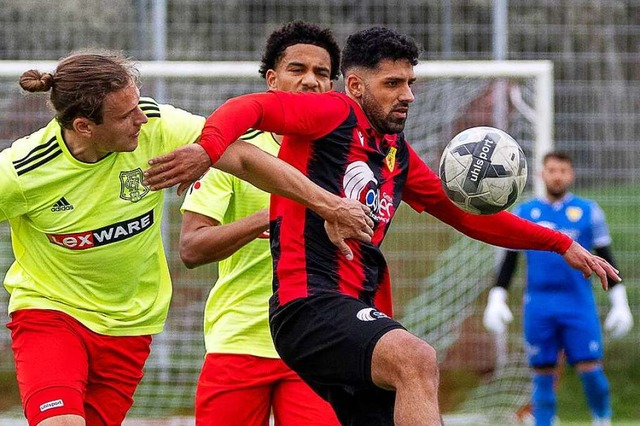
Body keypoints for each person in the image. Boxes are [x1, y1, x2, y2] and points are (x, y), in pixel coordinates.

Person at [143, 27, 619, 426]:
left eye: (410, 82)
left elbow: (469, 218)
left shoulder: (396, 155)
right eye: (392, 83)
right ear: (354, 85)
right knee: (416, 359)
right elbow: (252, 108)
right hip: (310, 305)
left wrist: (561, 245)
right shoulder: (331, 115)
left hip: (345, 310)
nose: (407, 95)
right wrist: (206, 149)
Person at [1, 51, 371, 426]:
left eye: (138, 104)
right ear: (84, 127)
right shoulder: (21, 171)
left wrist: (329, 205)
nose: (141, 118)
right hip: (51, 313)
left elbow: (243, 158)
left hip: (132, 323)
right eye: (126, 115)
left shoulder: (156, 125)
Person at [180, 21, 341, 425]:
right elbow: (191, 248)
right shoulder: (233, 152)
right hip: (239, 340)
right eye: (297, 70)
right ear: (271, 79)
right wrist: (267, 217)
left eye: (322, 74)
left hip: (317, 340)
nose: (310, 81)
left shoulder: (346, 155)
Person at [482, 151, 633, 426]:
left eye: (563, 170)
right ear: (542, 174)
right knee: (542, 374)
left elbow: (607, 258)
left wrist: (619, 303)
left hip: (578, 303)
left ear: (571, 174)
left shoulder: (589, 212)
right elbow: (510, 260)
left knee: (591, 370)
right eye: (552, 170)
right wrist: (497, 297)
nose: (557, 175)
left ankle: (603, 420)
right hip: (538, 306)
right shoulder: (525, 213)